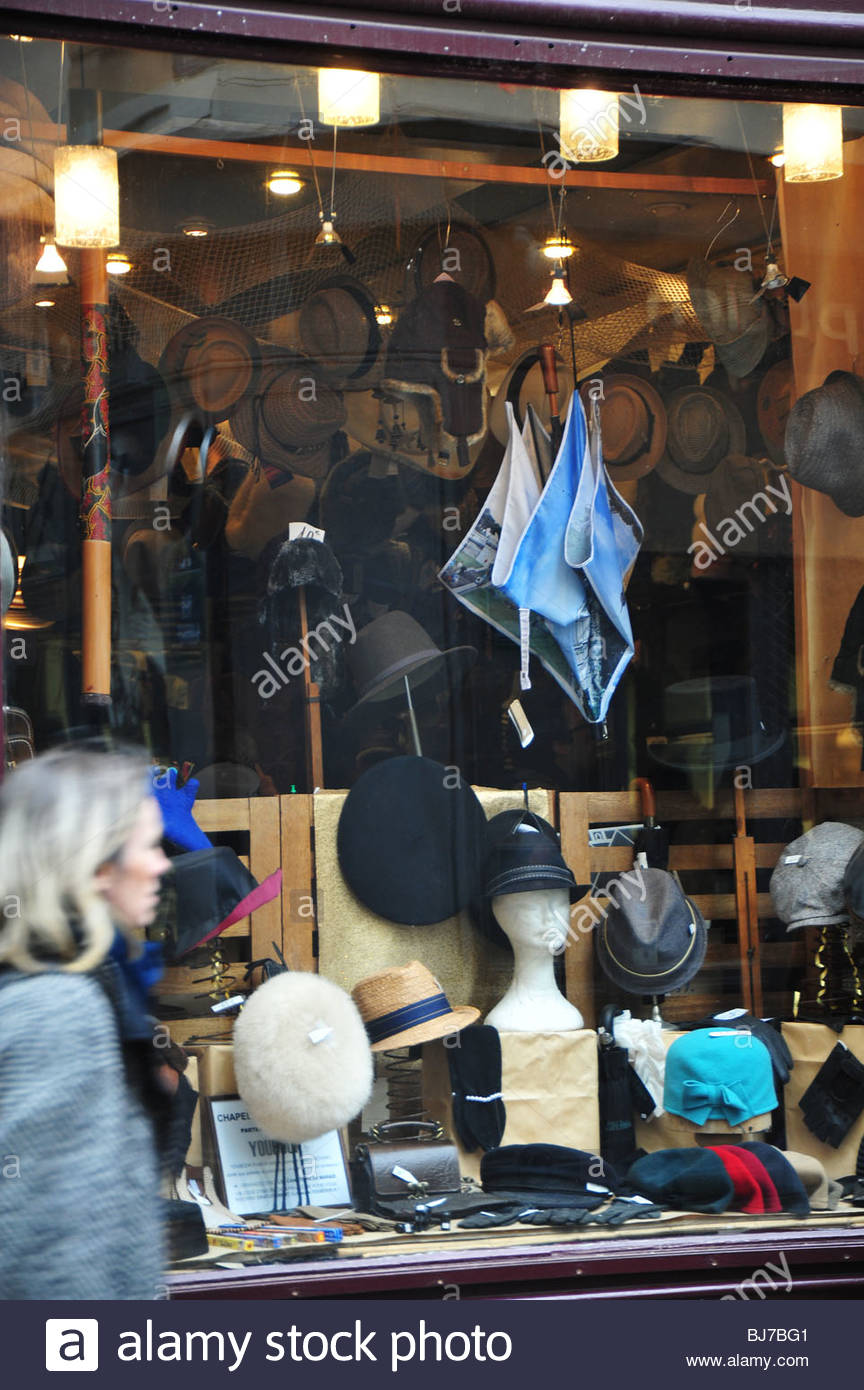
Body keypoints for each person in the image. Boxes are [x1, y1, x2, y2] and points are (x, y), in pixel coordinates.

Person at [0, 744, 173, 1299]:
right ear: (97, 865)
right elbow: (51, 1258)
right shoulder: (59, 1011)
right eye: (148, 845)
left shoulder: (46, 988)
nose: (162, 864)